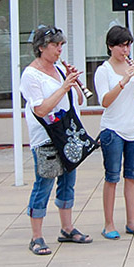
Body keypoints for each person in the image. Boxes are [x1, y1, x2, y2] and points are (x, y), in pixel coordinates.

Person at [20, 25, 90, 253]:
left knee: (68, 182)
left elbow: (77, 100)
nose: (59, 50)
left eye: (61, 45)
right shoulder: (31, 75)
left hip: (68, 134)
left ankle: (67, 228)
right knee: (44, 183)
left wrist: (75, 84)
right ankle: (36, 237)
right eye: (55, 45)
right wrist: (63, 87)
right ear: (41, 47)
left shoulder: (59, 69)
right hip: (46, 137)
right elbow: (40, 109)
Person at [93, 25, 134, 239]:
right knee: (111, 177)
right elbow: (105, 101)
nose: (125, 50)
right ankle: (108, 224)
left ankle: (132, 222)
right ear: (110, 46)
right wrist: (124, 80)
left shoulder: (132, 68)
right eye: (121, 46)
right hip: (113, 130)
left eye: (128, 46)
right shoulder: (103, 71)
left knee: (132, 177)